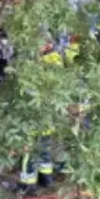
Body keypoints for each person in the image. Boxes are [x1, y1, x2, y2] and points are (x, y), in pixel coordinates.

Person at [18, 35, 78, 190]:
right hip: (49, 119)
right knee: (44, 150)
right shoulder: (56, 59)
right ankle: (47, 180)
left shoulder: (37, 66)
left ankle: (27, 185)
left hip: (34, 120)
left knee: (29, 154)